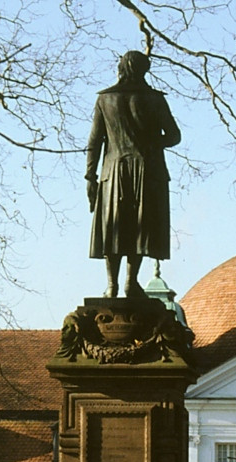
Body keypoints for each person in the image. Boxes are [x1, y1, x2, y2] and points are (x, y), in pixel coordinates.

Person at [86, 51, 181, 298]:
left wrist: (90, 177)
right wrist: (151, 141)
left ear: (121, 69)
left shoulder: (105, 99)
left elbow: (94, 141)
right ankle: (131, 283)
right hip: (147, 171)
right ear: (143, 70)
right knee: (140, 227)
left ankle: (111, 286)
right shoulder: (155, 99)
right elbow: (173, 136)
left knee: (114, 227)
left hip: (113, 171)